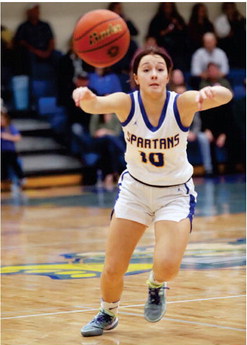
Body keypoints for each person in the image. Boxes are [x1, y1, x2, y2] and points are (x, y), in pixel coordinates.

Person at [72, 47, 232, 337]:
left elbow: (225, 97)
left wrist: (214, 92)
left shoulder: (181, 103)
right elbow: (96, 105)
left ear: (168, 76)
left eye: (159, 69)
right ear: (136, 76)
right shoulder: (125, 102)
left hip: (174, 194)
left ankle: (156, 285)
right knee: (112, 267)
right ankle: (108, 313)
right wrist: (85, 97)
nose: (154, 74)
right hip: (135, 192)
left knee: (168, 266)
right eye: (146, 69)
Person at [89, 112, 125, 190]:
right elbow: (93, 133)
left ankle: (109, 175)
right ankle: (115, 172)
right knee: (108, 140)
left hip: (111, 144)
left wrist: (105, 131)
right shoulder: (96, 116)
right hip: (99, 142)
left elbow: (117, 132)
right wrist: (104, 133)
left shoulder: (116, 116)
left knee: (110, 146)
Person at [147, 3, 187, 70]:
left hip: (177, 49)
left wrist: (177, 24)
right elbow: (153, 35)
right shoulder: (157, 20)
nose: (168, 9)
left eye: (170, 7)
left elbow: (184, 32)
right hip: (161, 47)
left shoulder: (178, 18)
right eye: (166, 7)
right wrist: (166, 31)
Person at [214, 2, 246, 69]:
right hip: (226, 45)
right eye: (228, 8)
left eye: (232, 8)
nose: (230, 10)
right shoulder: (220, 20)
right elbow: (219, 34)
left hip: (240, 46)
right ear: (224, 9)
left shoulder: (239, 18)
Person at [1, 105, 24, 190]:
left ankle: (21, 179)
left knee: (15, 164)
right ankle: (4, 181)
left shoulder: (10, 128)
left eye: (2, 119)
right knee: (3, 166)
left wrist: (6, 136)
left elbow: (18, 137)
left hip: (10, 151)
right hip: (1, 152)